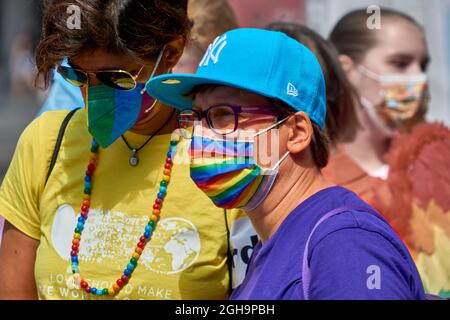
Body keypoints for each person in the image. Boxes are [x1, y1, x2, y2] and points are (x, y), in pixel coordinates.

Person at [146, 28, 426, 299]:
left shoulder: (345, 244)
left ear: (297, 133)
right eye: (196, 117)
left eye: (223, 115)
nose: (200, 134)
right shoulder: (275, 241)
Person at [0, 0, 237, 300]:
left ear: (172, 53)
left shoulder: (225, 156)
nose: (95, 96)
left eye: (117, 78)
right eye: (80, 77)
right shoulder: (45, 142)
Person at [328, 8, 450, 297]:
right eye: (400, 63)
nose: (418, 79)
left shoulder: (441, 161)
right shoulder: (317, 181)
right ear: (347, 70)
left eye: (423, 65)